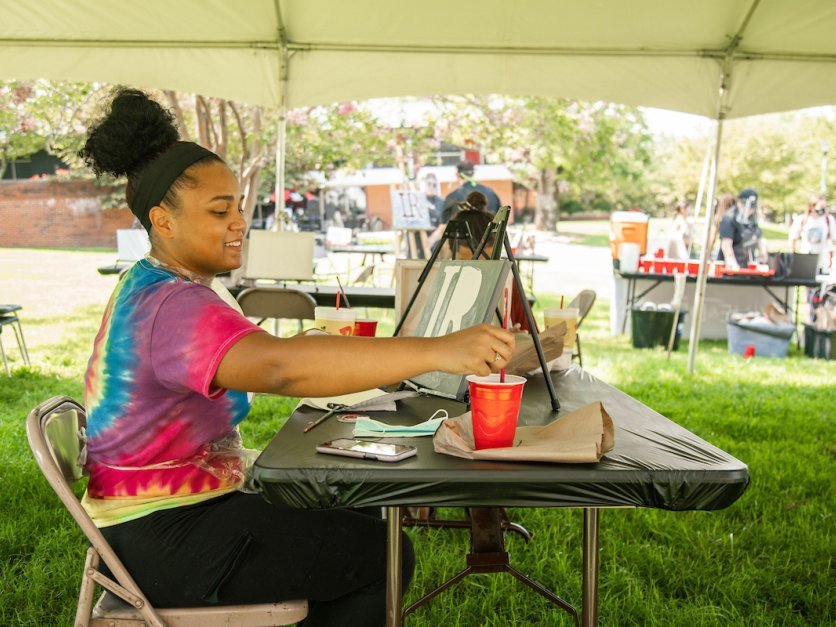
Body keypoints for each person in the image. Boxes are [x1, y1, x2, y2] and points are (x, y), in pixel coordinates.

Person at [77, 88, 515, 626]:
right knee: (381, 555)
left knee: (354, 509)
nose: (239, 221)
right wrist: (438, 351)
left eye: (238, 206)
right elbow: (282, 366)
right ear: (162, 222)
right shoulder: (170, 304)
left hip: (166, 519)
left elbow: (277, 357)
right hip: (161, 536)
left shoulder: (165, 287)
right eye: (220, 210)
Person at [443, 193, 534, 333]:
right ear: (451, 251)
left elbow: (535, 342)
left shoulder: (507, 283)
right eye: (469, 263)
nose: (478, 274)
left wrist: (518, 340)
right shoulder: (437, 284)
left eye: (488, 265)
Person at [717, 188, 768, 270]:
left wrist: (763, 254)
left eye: (752, 208)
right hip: (730, 269)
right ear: (739, 203)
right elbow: (726, 245)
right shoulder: (729, 219)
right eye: (748, 207)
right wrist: (733, 265)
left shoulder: (752, 219)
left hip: (747, 267)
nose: (750, 210)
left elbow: (758, 237)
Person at [789, 194, 835, 272]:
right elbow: (792, 239)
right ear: (812, 206)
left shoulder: (829, 219)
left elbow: (834, 240)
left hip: (823, 261)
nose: (823, 209)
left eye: (824, 207)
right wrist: (793, 257)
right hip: (806, 259)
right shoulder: (802, 219)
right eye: (821, 206)